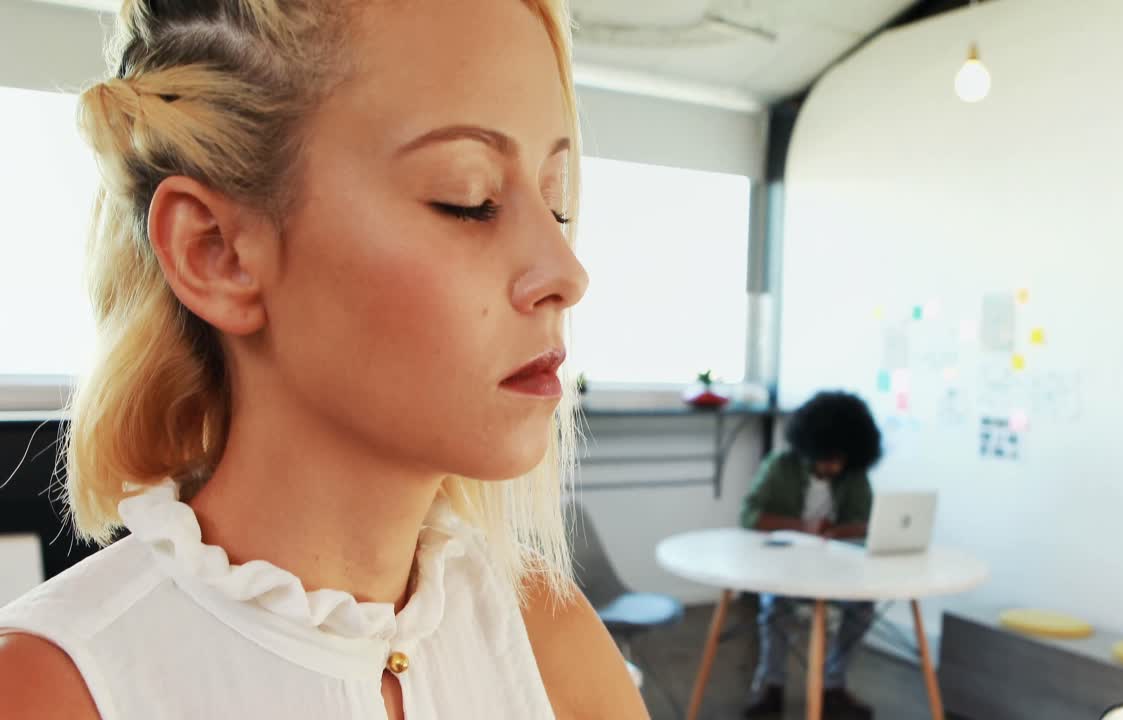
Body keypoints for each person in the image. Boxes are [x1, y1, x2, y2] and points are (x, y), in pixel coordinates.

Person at [0, 1, 648, 718]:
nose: (566, 271)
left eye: (555, 205)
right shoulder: (53, 690)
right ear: (215, 253)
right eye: (469, 199)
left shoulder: (551, 639)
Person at [740, 391, 884, 719]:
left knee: (863, 606)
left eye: (841, 458)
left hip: (837, 569)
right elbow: (749, 516)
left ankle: (833, 686)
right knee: (774, 605)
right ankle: (771, 687)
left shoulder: (854, 476)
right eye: (829, 456)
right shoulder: (780, 467)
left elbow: (864, 522)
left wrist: (835, 533)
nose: (834, 464)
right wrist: (803, 527)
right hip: (784, 566)